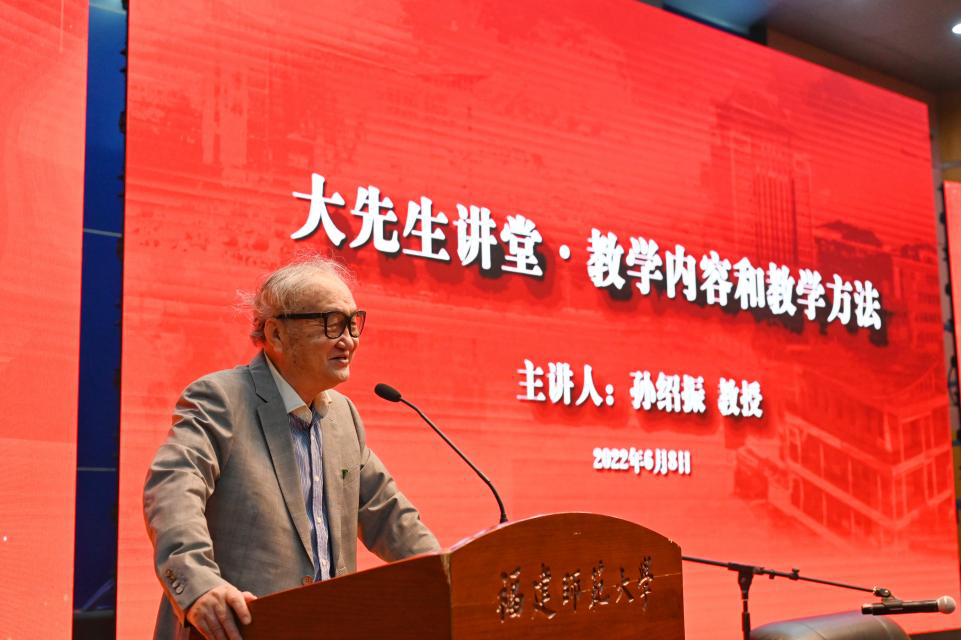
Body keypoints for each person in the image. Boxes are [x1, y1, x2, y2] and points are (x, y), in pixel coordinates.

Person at [144, 256, 440, 640]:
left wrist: (447, 577)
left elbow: (388, 514)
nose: (348, 339)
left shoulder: (343, 416)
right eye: (331, 323)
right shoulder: (221, 399)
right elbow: (172, 490)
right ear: (277, 334)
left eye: (353, 323)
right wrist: (197, 584)